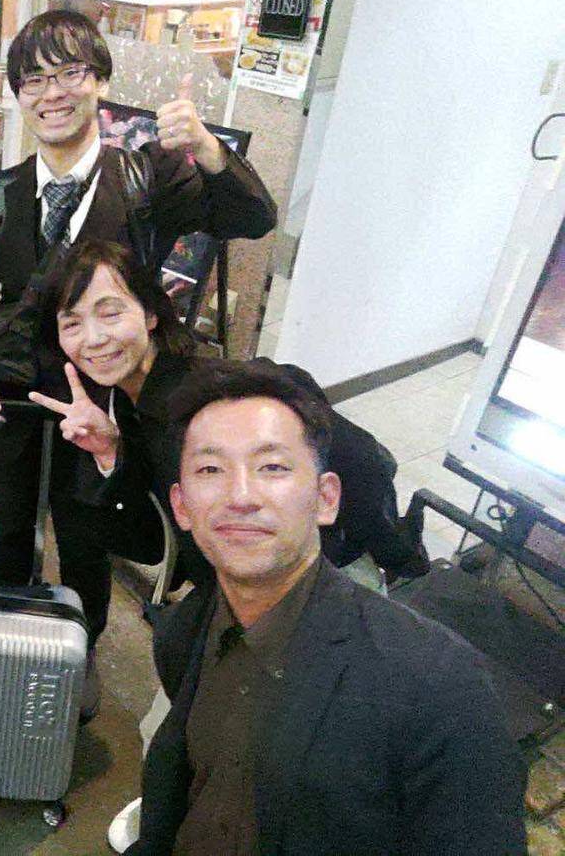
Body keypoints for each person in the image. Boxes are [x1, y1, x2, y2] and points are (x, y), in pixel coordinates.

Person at [0, 8, 277, 717]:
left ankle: (79, 647)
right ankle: (8, 640)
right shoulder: (1, 194)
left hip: (108, 403)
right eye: (34, 80)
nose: (52, 93)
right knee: (8, 521)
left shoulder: (148, 175)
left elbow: (252, 218)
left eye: (68, 73)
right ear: (19, 95)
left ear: (99, 81)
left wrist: (209, 150)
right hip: (16, 398)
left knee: (86, 533)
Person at [120, 359, 526, 855]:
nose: (240, 495)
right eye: (210, 469)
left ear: (326, 498)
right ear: (182, 506)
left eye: (272, 467)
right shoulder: (184, 633)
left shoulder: (438, 687)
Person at [31, 240, 431, 644]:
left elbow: (363, 462)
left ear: (150, 314)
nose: (94, 338)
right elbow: (152, 543)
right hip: (234, 597)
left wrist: (391, 555)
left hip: (313, 594)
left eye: (110, 313)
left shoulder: (223, 395)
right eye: (72, 324)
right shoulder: (126, 405)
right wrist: (110, 452)